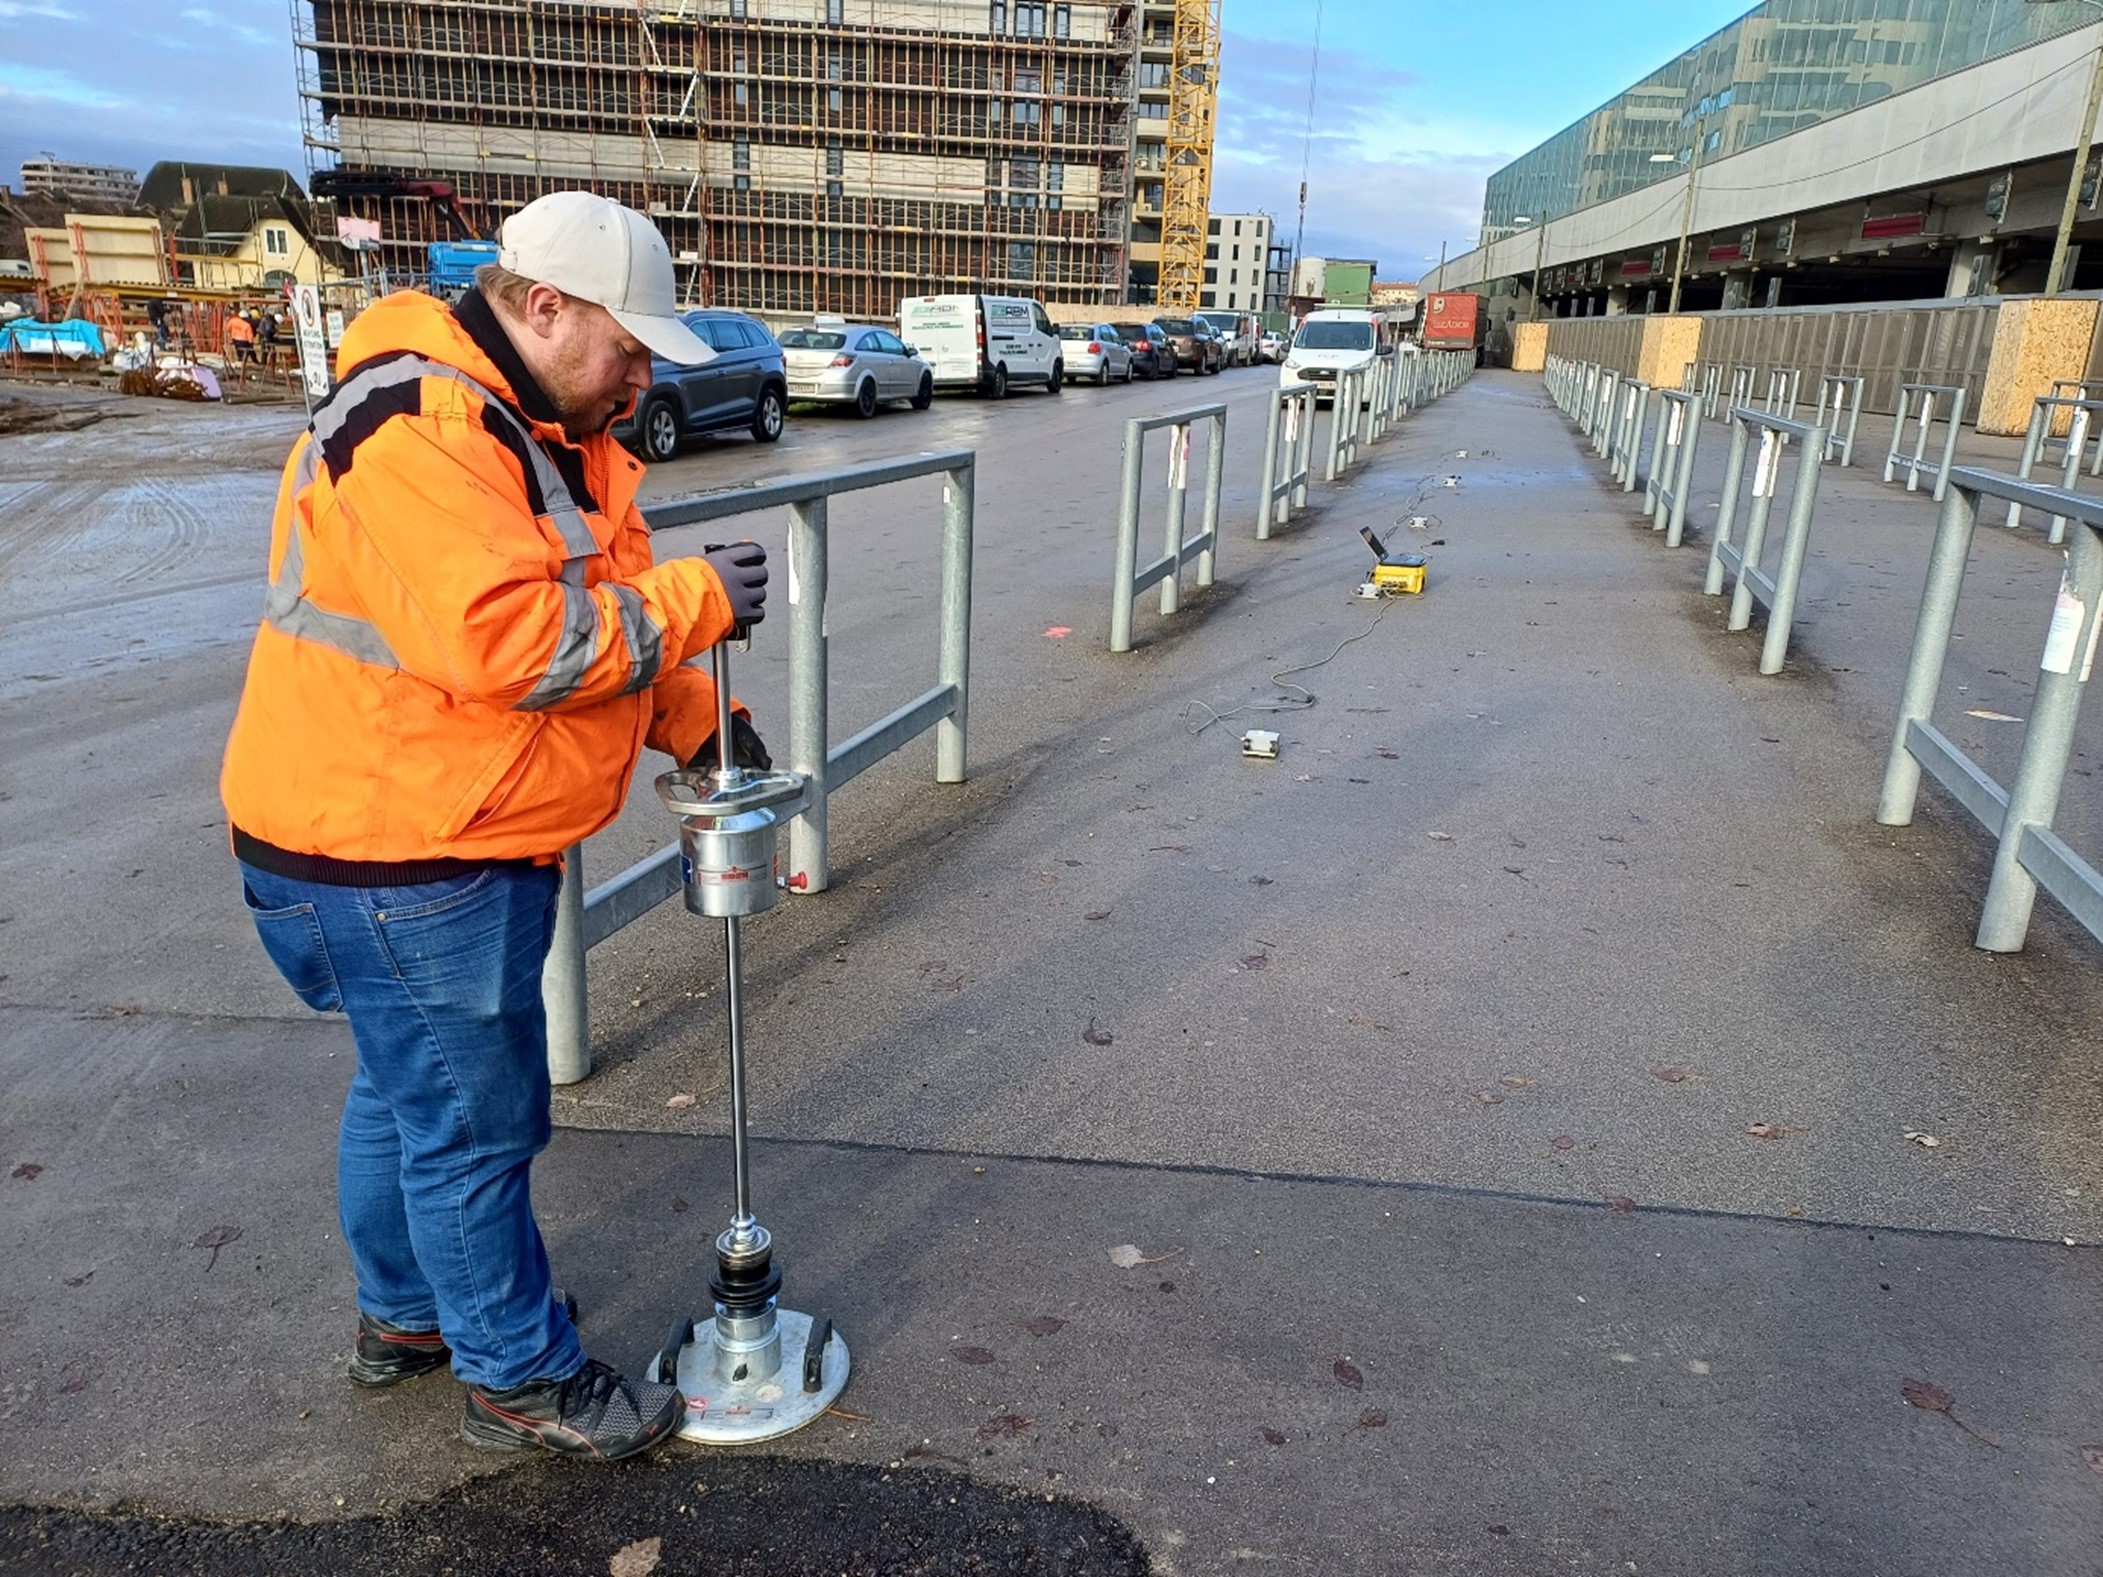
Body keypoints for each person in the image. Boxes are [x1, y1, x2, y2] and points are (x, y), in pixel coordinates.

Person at [220, 190, 773, 1461]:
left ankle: (410, 1315)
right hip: (400, 849)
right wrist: (700, 602)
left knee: (408, 1092)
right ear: (542, 307)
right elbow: (513, 643)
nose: (640, 372)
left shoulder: (548, 426)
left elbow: (602, 603)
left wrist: (693, 714)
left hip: (398, 831)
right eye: (626, 344)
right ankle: (517, 1378)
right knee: (473, 1123)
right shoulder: (421, 425)